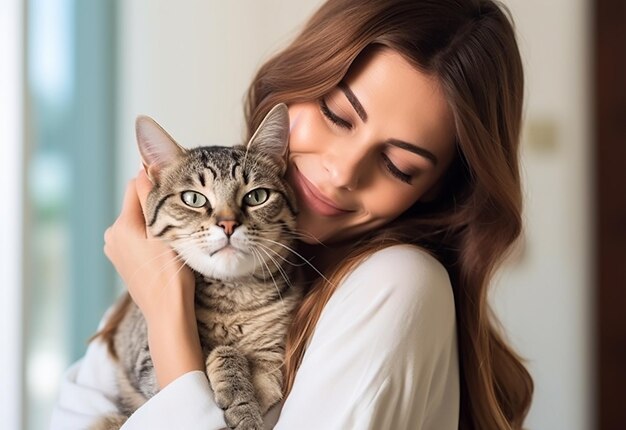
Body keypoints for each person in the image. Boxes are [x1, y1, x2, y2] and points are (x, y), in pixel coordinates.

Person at [50, 0, 534, 429]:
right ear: (295, 83)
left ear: (435, 191)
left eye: (398, 165)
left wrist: (166, 316)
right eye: (337, 116)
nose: (342, 172)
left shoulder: (400, 281)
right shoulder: (191, 254)